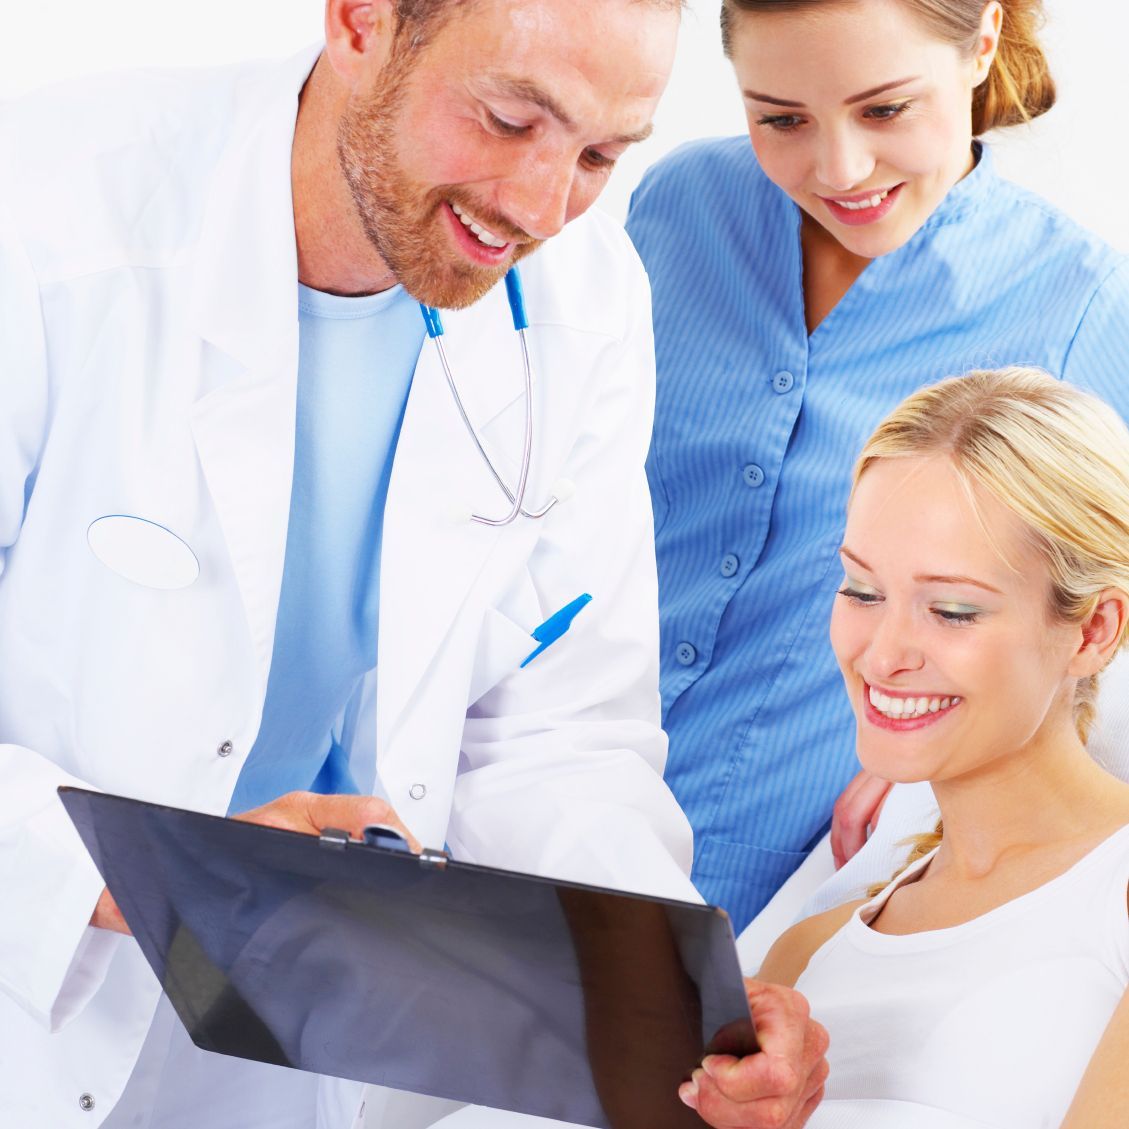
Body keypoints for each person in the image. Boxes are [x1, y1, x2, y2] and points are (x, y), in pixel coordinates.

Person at [0, 2, 826, 1126]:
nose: (541, 208)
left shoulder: (584, 297)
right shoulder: (45, 216)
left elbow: (556, 729)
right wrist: (155, 874)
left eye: (598, 156)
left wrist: (678, 1003)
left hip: (297, 1034)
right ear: (360, 24)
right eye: (508, 119)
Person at [626, 0, 1129, 934]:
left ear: (980, 42)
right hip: (547, 794)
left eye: (885, 109)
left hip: (795, 865)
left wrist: (940, 766)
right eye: (781, 118)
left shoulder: (1082, 307)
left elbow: (1097, 613)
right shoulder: (677, 209)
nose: (839, 169)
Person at [683, 366, 1129, 1127]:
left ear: (1092, 631)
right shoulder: (805, 958)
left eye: (951, 610)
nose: (882, 654)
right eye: (861, 591)